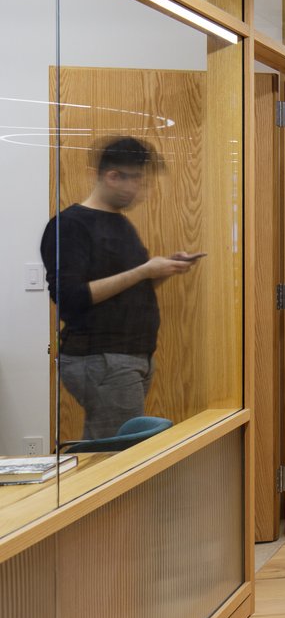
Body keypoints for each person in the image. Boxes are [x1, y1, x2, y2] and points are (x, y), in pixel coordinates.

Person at [41, 137, 199, 440]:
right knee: (120, 455)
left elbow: (131, 286)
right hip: (101, 357)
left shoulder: (121, 224)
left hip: (131, 355)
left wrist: (162, 270)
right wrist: (143, 270)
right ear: (113, 176)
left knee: (107, 448)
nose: (143, 190)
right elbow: (71, 298)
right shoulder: (70, 225)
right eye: (138, 180)